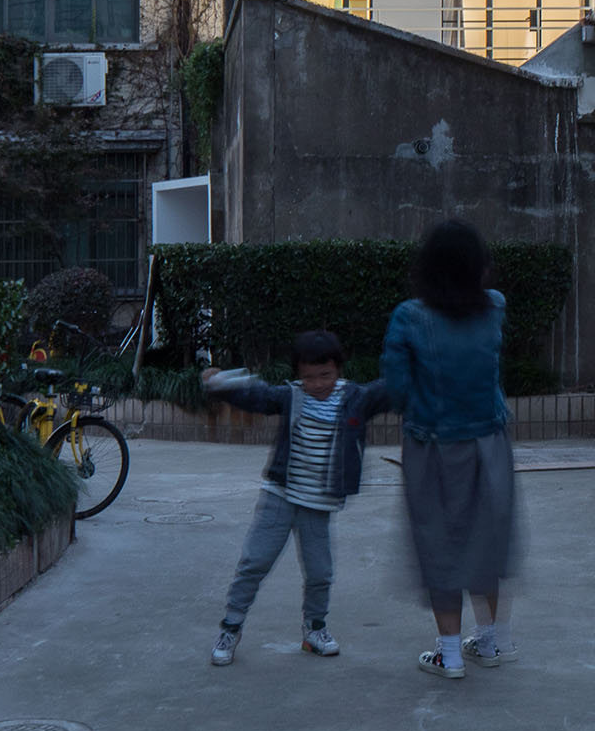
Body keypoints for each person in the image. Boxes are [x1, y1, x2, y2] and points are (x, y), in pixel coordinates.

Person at [381, 220, 519, 678]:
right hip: (490, 444)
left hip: (433, 448)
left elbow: (397, 390)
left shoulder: (408, 317)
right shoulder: (495, 308)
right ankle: (491, 643)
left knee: (441, 544)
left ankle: (450, 654)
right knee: (485, 540)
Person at [202, 329, 389, 666]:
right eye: (308, 377)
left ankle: (314, 630)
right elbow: (256, 396)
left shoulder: (356, 398)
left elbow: (391, 390)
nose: (317, 384)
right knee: (254, 562)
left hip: (318, 504)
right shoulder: (291, 396)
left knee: (320, 572)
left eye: (325, 375)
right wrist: (221, 383)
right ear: (298, 375)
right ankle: (231, 627)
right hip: (281, 495)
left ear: (339, 370)